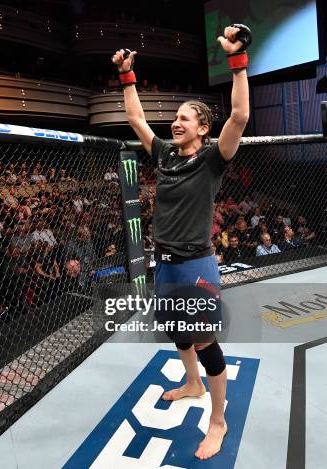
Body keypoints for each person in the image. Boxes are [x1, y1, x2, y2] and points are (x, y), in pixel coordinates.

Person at [112, 23, 250, 459]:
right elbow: (135, 117)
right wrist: (127, 75)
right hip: (165, 263)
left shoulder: (213, 158)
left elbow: (240, 116)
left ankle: (218, 421)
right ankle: (191, 384)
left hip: (195, 265)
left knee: (206, 342)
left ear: (202, 128)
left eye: (184, 118)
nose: (174, 122)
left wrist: (237, 60)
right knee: (179, 336)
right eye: (174, 118)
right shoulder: (166, 154)